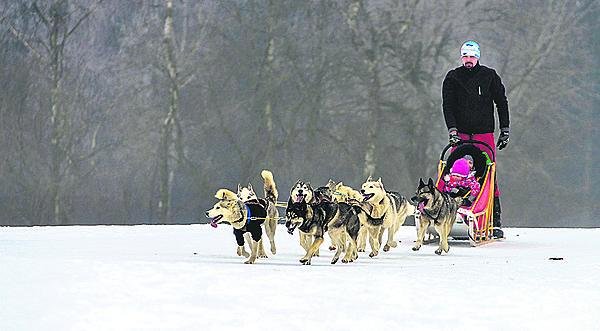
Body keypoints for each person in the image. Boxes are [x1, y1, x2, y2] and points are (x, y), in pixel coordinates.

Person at [441, 40, 509, 238]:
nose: (468, 60)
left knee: (488, 172)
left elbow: (501, 102)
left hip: (483, 133)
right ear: (461, 57)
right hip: (461, 133)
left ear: (477, 57)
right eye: (465, 56)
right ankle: (446, 214)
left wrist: (505, 129)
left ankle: (494, 220)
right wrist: (452, 130)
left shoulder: (489, 76)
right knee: (454, 172)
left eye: (471, 56)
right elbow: (448, 105)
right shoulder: (453, 77)